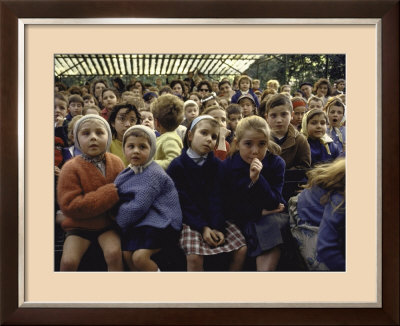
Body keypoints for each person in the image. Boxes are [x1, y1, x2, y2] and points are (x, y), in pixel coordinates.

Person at [167, 115, 247, 271]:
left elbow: (218, 198)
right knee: (194, 255)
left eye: (214, 136)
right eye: (204, 133)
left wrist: (217, 227)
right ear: (190, 136)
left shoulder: (218, 166)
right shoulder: (177, 166)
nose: (209, 139)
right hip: (189, 221)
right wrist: (203, 227)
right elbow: (182, 202)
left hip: (216, 219)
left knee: (241, 248)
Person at [57, 115, 125, 271]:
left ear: (108, 137)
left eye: (100, 133)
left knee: (114, 253)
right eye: (86, 133)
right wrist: (107, 194)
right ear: (77, 139)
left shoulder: (116, 162)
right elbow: (70, 206)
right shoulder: (70, 167)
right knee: (68, 262)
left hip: (107, 224)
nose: (93, 137)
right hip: (79, 226)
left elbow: (123, 194)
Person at [219, 116, 286, 271]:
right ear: (237, 143)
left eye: (262, 144)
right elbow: (227, 205)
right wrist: (259, 211)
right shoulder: (228, 166)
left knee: (271, 225)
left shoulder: (275, 163)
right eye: (248, 144)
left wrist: (257, 179)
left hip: (270, 219)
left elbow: (275, 203)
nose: (255, 151)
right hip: (241, 219)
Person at [114, 125, 182, 271]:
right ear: (124, 149)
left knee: (140, 257)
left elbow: (139, 205)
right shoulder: (128, 172)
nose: (136, 151)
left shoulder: (153, 173)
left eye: (142, 147)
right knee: (126, 254)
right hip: (144, 222)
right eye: (130, 146)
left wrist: (116, 216)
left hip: (163, 221)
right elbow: (115, 191)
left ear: (151, 150)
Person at [288, 158, 345, 271]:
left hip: (317, 207)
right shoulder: (340, 200)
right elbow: (326, 247)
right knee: (322, 266)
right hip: (305, 217)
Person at [265, 94, 311, 169]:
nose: (279, 120)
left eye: (284, 114)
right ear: (267, 117)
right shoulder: (261, 139)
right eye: (273, 115)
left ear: (291, 115)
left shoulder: (300, 140)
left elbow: (304, 167)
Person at [151, 94, 184, 170]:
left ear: (156, 122)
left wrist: (149, 164)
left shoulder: (169, 138)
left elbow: (173, 161)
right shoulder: (167, 137)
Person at [109, 102, 141, 167]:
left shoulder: (142, 144)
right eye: (122, 119)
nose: (128, 124)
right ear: (113, 123)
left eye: (132, 120)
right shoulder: (108, 144)